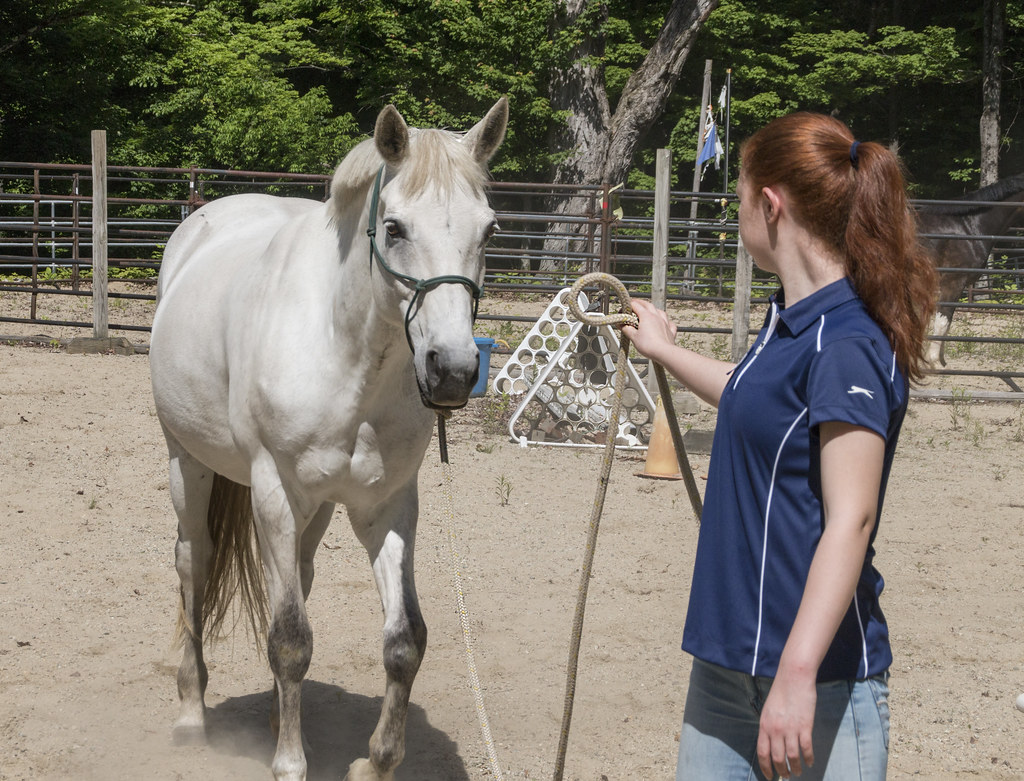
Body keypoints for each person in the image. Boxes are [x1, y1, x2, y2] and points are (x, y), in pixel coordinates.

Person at [623, 112, 937, 780]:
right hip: (727, 665)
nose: (736, 214)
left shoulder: (846, 344)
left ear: (770, 205)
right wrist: (665, 351)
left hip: (816, 681)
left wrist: (796, 675)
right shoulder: (789, 323)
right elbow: (752, 396)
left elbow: (852, 518)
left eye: (738, 198)